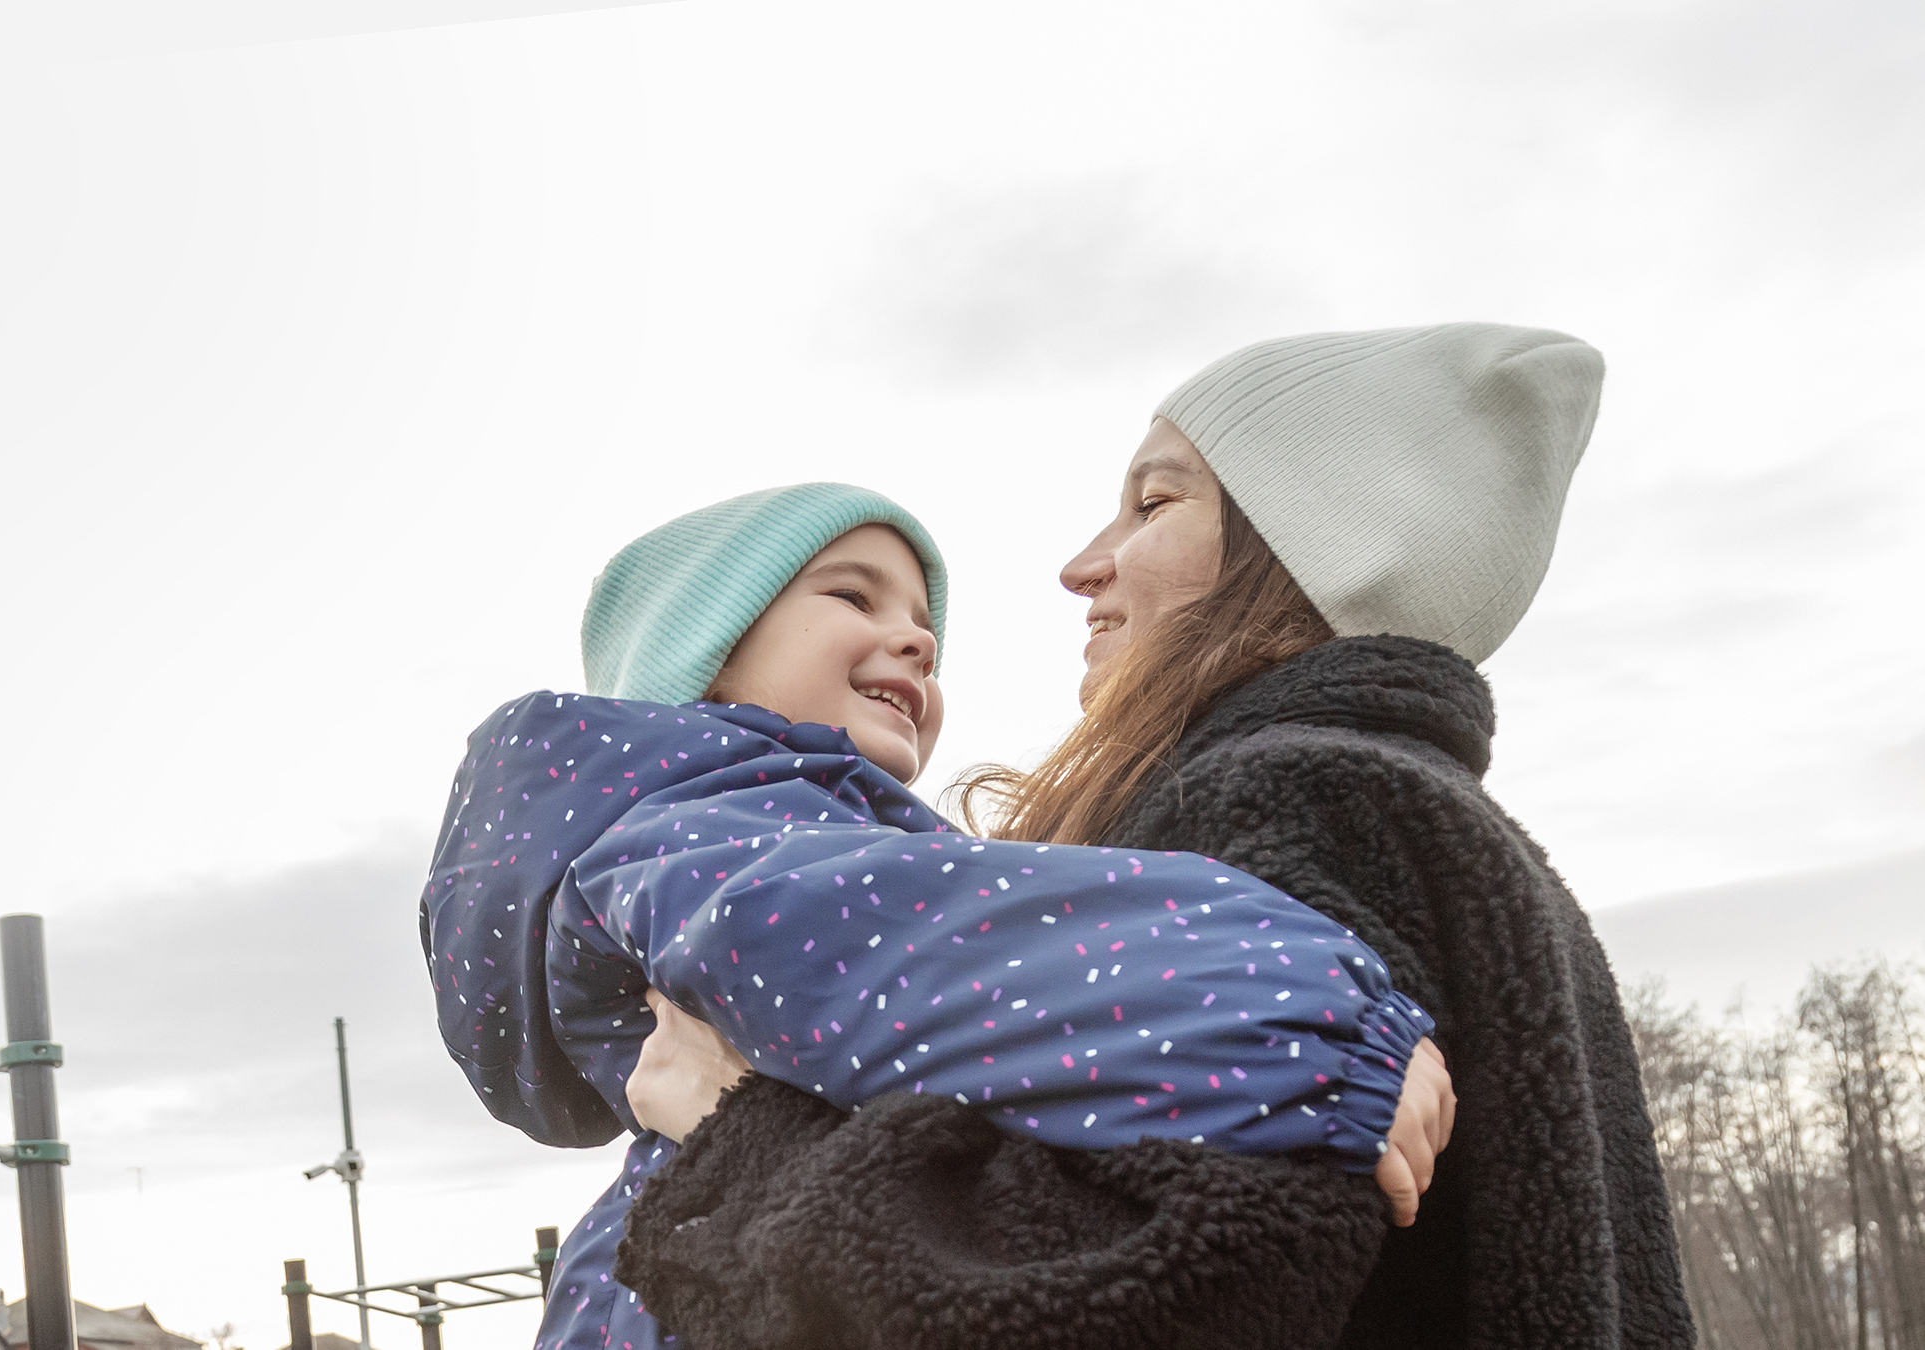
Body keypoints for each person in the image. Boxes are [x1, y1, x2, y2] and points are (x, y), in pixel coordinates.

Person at [615, 323, 1689, 1349]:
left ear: (1317, 548)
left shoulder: (1290, 801)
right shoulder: (1468, 848)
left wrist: (733, 1139)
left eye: (1152, 502)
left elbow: (1127, 1300)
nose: (1085, 564)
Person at [421, 483, 1456, 1350]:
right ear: (705, 649)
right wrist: (1315, 1027)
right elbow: (944, 960)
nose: (913, 639)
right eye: (854, 596)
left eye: (924, 623)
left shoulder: (736, 838)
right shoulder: (699, 838)